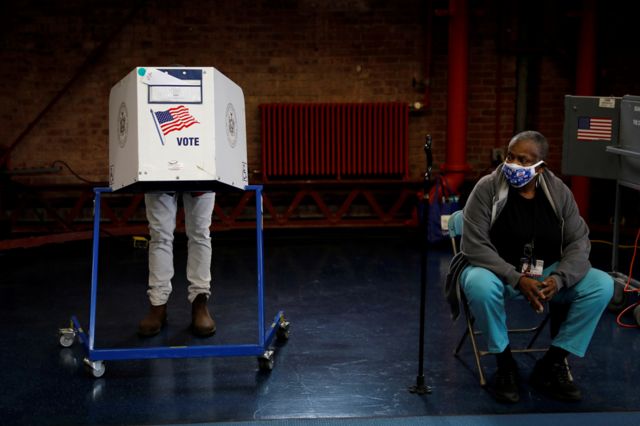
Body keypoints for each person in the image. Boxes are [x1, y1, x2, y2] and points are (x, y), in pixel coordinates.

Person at [452, 130, 613, 403]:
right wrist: (516, 278)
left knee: (601, 284)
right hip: (497, 272)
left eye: (523, 161)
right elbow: (474, 246)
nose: (513, 165)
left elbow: (579, 242)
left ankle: (552, 362)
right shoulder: (487, 187)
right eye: (510, 157)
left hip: (546, 273)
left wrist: (559, 279)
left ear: (540, 167)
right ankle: (505, 366)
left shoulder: (559, 192)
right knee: (477, 283)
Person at [137, 191, 217, 337]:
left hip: (202, 170)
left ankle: (200, 301)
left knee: (200, 233)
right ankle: (158, 304)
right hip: (158, 170)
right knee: (159, 236)